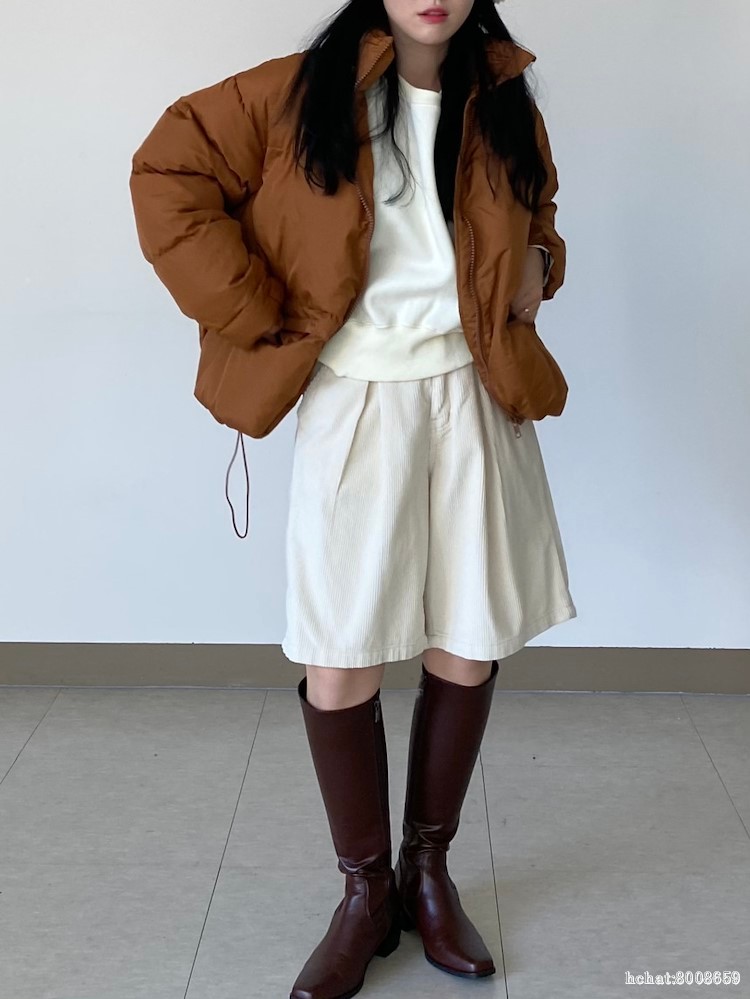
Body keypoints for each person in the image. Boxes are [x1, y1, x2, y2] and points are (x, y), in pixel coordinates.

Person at [129, 2, 577, 996]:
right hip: (357, 396)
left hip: (476, 393)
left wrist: (543, 263)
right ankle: (363, 893)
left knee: (467, 641)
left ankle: (428, 874)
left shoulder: (504, 98)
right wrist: (254, 308)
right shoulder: (297, 96)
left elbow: (539, 212)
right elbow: (166, 171)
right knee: (339, 656)